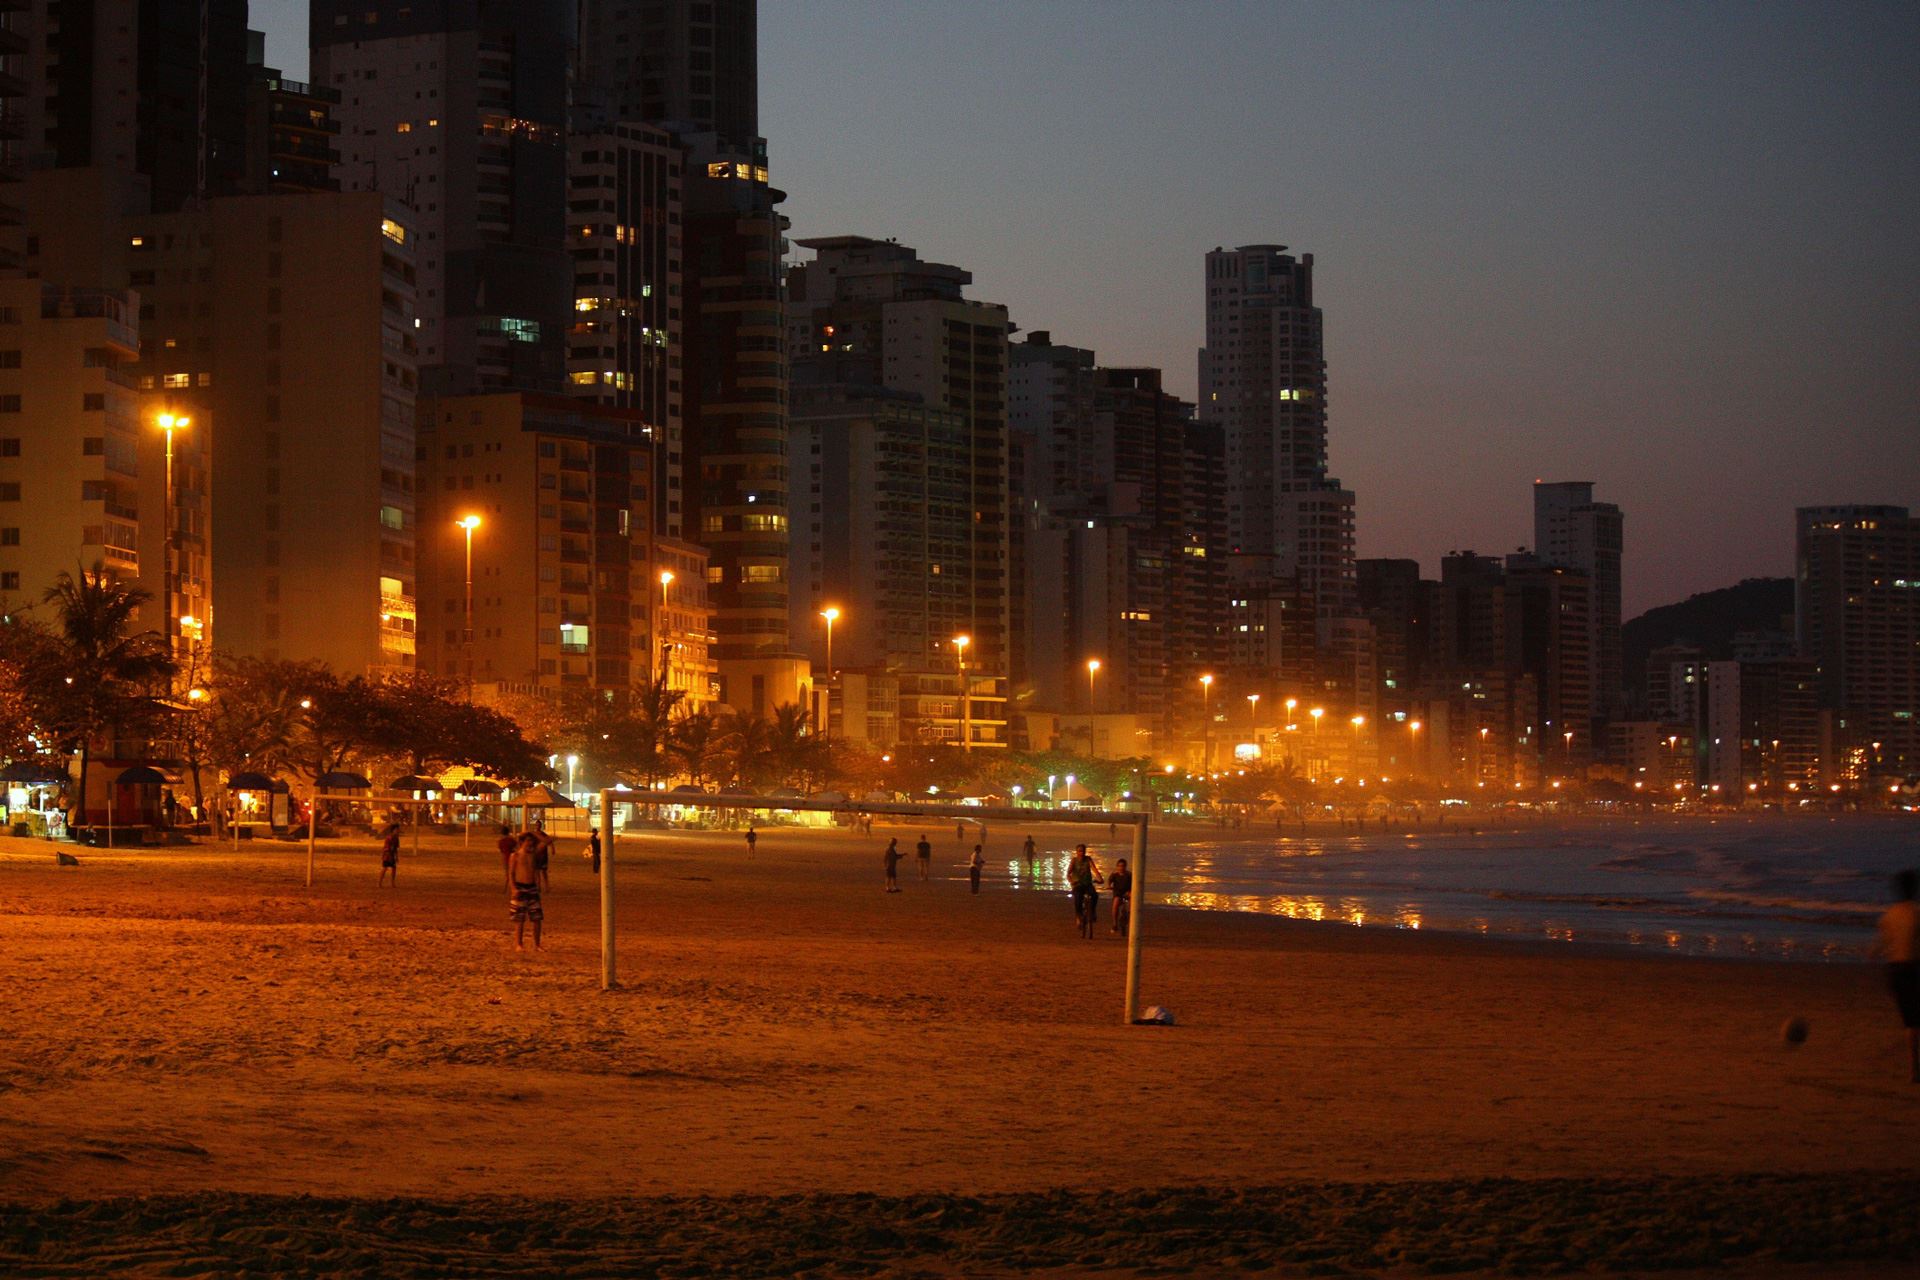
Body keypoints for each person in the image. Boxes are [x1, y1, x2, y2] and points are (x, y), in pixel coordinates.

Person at [1872, 869, 1920, 1083]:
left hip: (1895, 971)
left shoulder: (1888, 916)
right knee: (1915, 1023)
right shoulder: (1917, 913)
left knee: (1911, 1022)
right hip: (1914, 968)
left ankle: (1914, 1070)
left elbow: (1877, 949)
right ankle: (1914, 1069)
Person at [508, 833, 544, 950]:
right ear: (522, 842)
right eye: (528, 841)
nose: (530, 843)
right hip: (520, 887)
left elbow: (546, 841)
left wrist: (533, 833)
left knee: (537, 918)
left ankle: (537, 945)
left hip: (532, 888)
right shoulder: (515, 856)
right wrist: (513, 888)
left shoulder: (533, 855)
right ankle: (519, 944)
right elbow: (511, 874)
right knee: (520, 919)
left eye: (531, 841)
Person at [1067, 844, 1103, 939]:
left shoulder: (1088, 860)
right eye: (1079, 851)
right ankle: (1079, 915)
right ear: (1077, 852)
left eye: (1083, 851)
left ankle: (1093, 911)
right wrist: (1072, 881)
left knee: (1095, 895)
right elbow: (1068, 874)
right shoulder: (1074, 861)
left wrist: (1100, 879)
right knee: (1078, 898)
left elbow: (1095, 870)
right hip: (1078, 884)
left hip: (1087, 884)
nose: (1081, 853)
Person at [1108, 857, 1133, 937]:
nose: (1121, 868)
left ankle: (1131, 917)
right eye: (1119, 866)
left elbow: (1133, 884)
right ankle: (1115, 924)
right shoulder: (1114, 875)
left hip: (1127, 893)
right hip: (1118, 893)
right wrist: (1109, 886)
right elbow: (1109, 882)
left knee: (1132, 904)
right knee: (1115, 905)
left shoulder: (1129, 875)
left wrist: (1130, 891)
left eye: (1123, 866)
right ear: (1117, 866)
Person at [379, 822, 401, 887]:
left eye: (398, 830)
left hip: (392, 855)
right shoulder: (389, 838)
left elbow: (396, 848)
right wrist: (390, 857)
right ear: (393, 830)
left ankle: (392, 882)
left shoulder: (396, 838)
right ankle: (380, 882)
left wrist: (396, 857)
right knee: (385, 868)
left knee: (394, 868)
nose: (398, 831)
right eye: (396, 830)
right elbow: (387, 848)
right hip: (387, 855)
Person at [497, 824, 518, 890]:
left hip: (505, 858)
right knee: (513, 873)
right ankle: (512, 887)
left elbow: (501, 851)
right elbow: (516, 847)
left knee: (507, 874)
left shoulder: (501, 841)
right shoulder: (511, 840)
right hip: (512, 858)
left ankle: (506, 888)